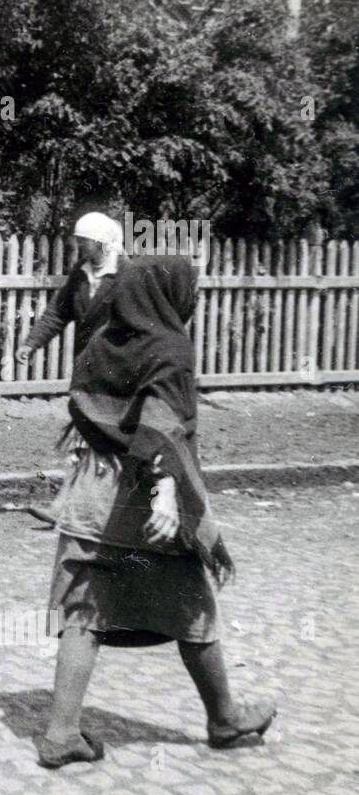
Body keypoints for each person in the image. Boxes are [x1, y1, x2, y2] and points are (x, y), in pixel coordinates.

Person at [35, 256, 275, 768]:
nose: (193, 300)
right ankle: (225, 718)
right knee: (193, 601)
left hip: (89, 492)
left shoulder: (102, 341)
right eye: (189, 290)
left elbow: (90, 407)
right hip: (142, 498)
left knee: (84, 609)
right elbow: (160, 421)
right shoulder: (170, 347)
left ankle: (60, 735)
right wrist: (166, 489)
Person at [16, 211, 127, 370]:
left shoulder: (126, 273)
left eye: (84, 240)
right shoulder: (80, 272)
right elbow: (58, 312)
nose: (79, 245)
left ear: (100, 241)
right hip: (85, 362)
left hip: (118, 366)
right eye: (79, 240)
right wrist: (31, 343)